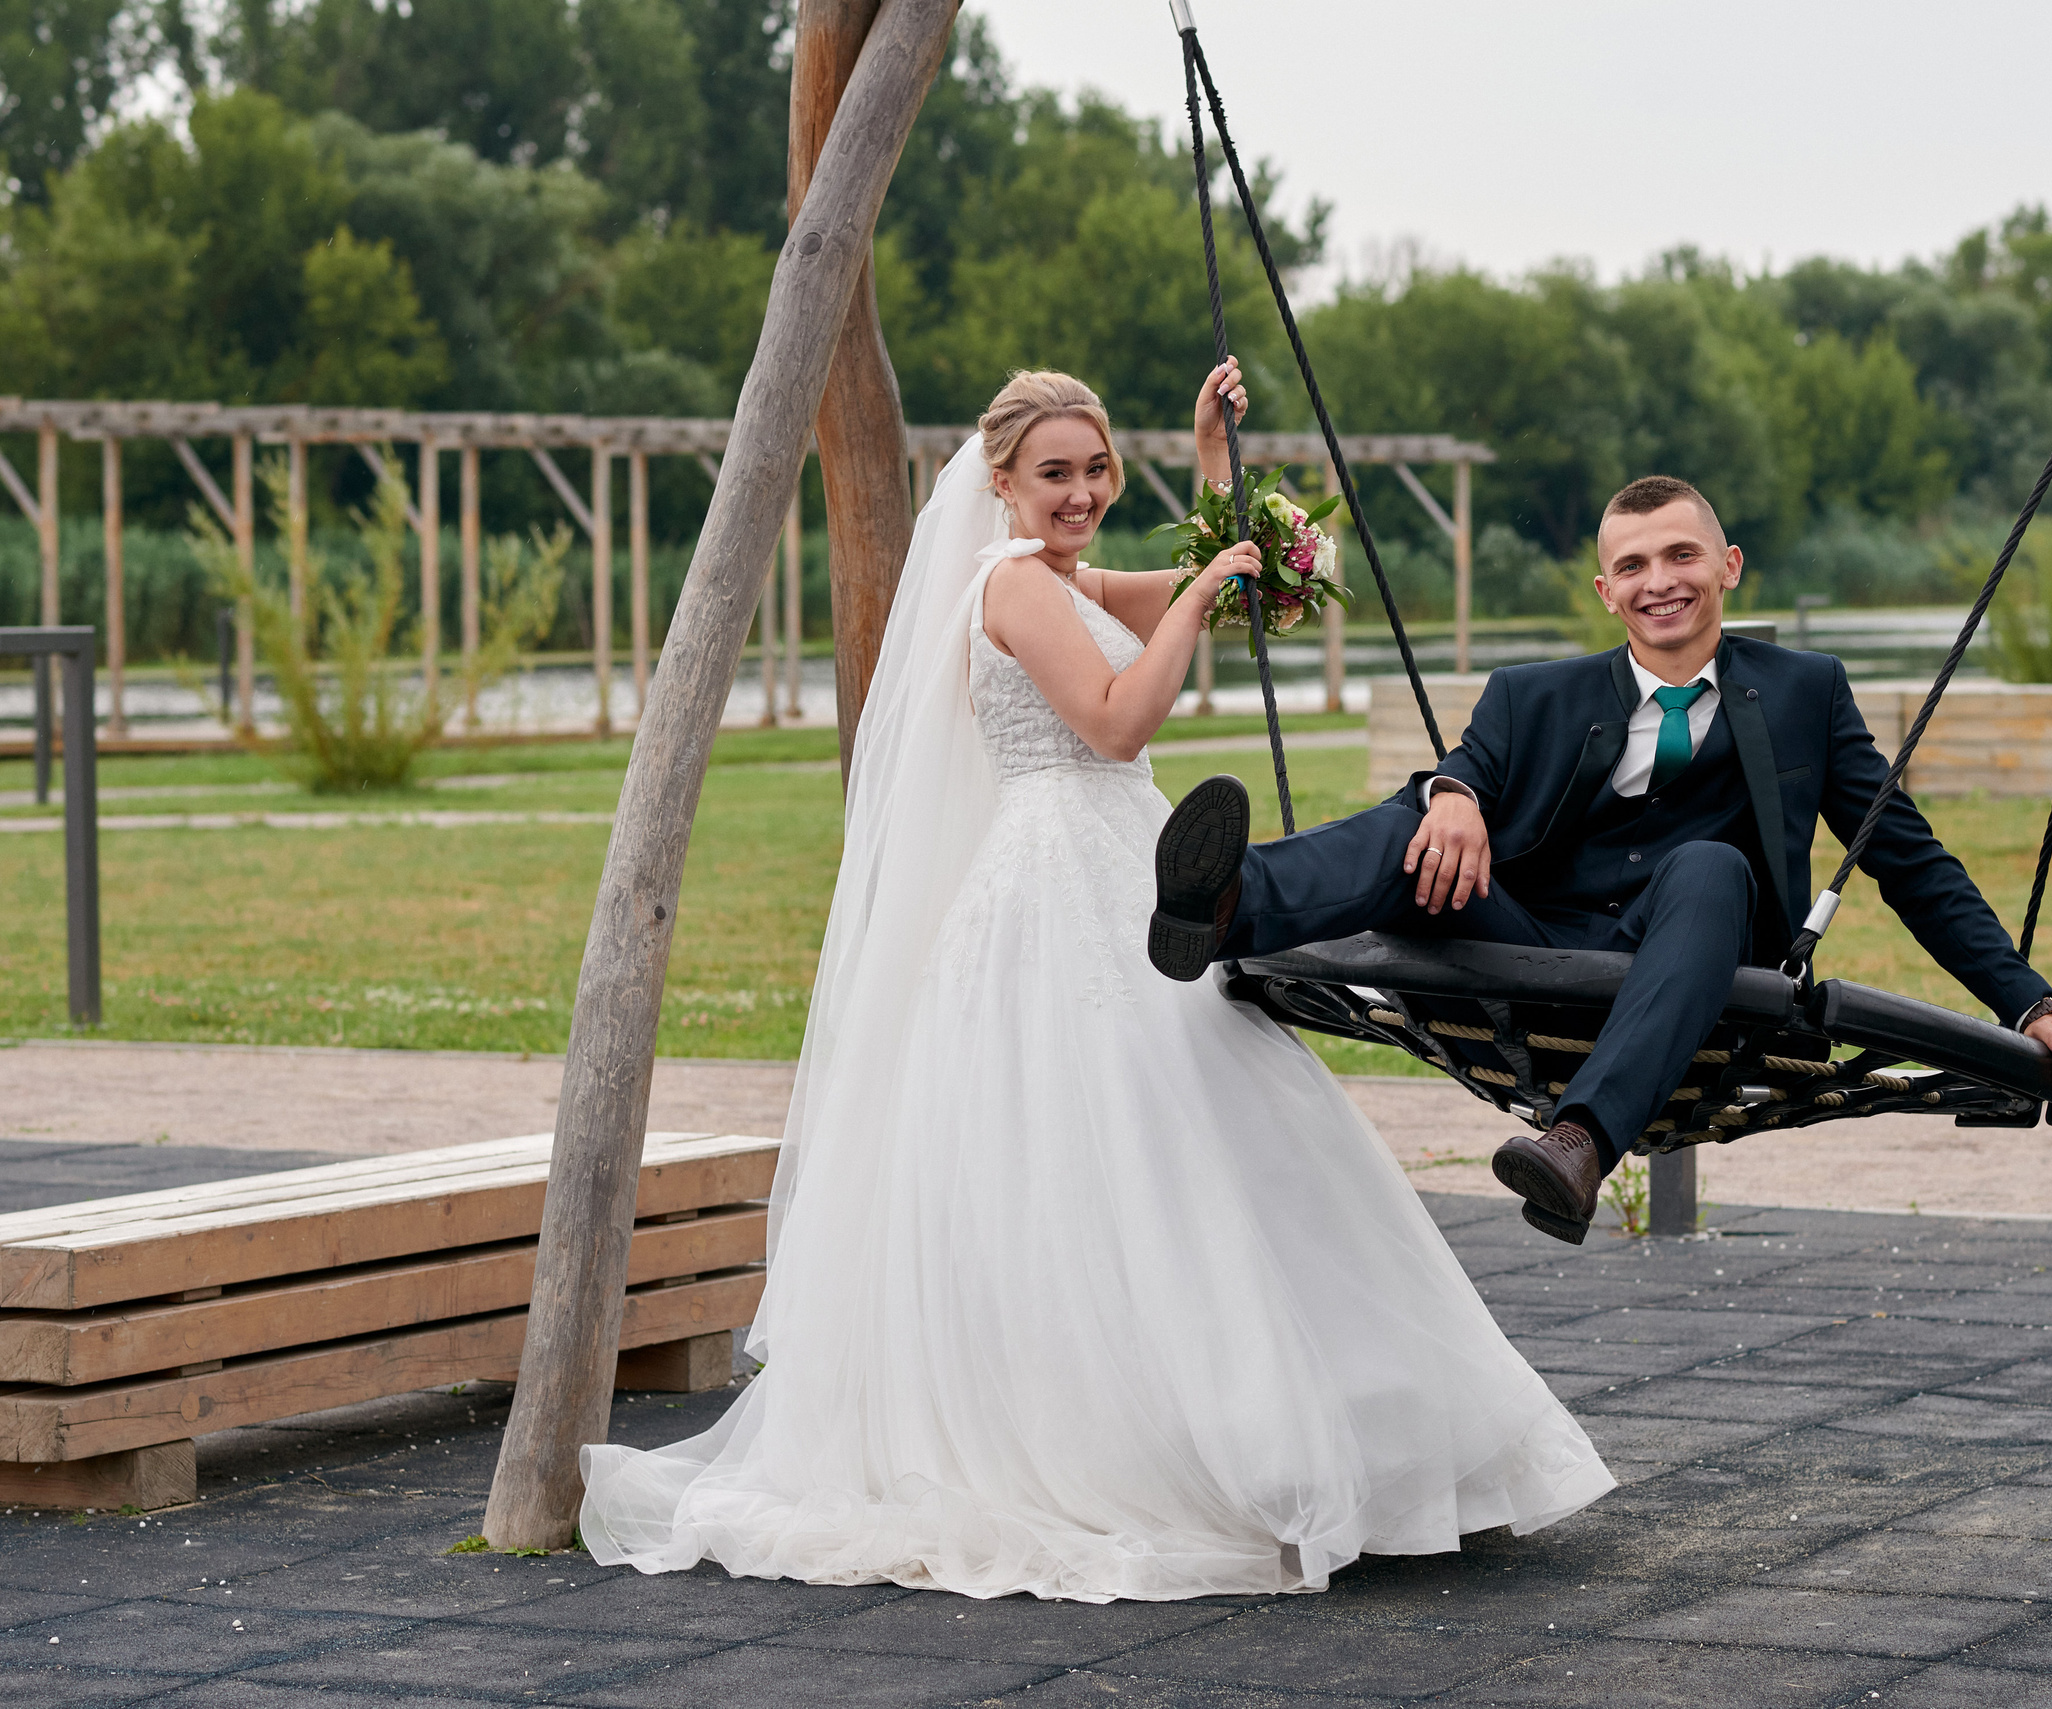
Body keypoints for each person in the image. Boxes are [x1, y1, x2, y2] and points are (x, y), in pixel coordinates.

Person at [576, 365, 1612, 1601]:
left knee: (1211, 1124)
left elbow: (1219, 588)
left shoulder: (1071, 580)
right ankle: (1121, 1434)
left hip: (1132, 859)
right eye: (1053, 472)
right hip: (1056, 874)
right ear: (1002, 481)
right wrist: (1208, 590)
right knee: (1093, 1137)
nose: (1079, 492)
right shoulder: (1013, 584)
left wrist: (1214, 466)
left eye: (1096, 468)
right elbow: (1116, 722)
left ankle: (1280, 1413)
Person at [1150, 474, 2052, 1244]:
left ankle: (1579, 1143)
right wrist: (1454, 795)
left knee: (1711, 863)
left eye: (1683, 554)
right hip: (1529, 951)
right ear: (1606, 592)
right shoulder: (1532, 694)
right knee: (1425, 820)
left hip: (1702, 969)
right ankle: (1227, 903)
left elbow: (1908, 858)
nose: (1661, 581)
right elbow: (1468, 768)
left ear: (1729, 566)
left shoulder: (1806, 692)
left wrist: (2031, 1003)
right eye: (1634, 565)